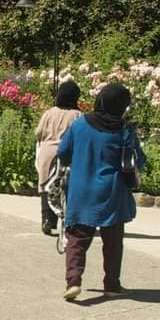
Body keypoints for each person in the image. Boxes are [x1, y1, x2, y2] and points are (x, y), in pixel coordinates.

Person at [56, 82, 146, 301]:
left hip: (81, 189)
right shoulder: (124, 129)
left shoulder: (80, 125)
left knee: (77, 238)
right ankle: (112, 285)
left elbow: (63, 152)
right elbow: (138, 160)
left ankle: (74, 281)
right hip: (112, 192)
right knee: (113, 241)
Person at [34, 79, 82, 235]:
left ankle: (47, 219)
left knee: (46, 185)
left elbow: (38, 133)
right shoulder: (78, 115)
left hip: (47, 152)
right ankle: (66, 219)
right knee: (66, 186)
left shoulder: (48, 113)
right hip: (67, 154)